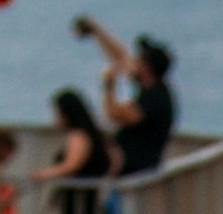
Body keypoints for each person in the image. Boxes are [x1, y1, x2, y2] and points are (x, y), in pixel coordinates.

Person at [71, 16, 176, 175]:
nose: (133, 61)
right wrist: (96, 31)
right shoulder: (153, 88)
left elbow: (114, 114)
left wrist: (109, 86)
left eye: (138, 60)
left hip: (135, 172)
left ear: (146, 68)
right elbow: (121, 57)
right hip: (130, 168)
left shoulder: (156, 99)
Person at [29, 90, 112, 214]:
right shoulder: (91, 136)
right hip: (83, 199)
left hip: (78, 200)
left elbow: (71, 165)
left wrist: (44, 174)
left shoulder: (78, 136)